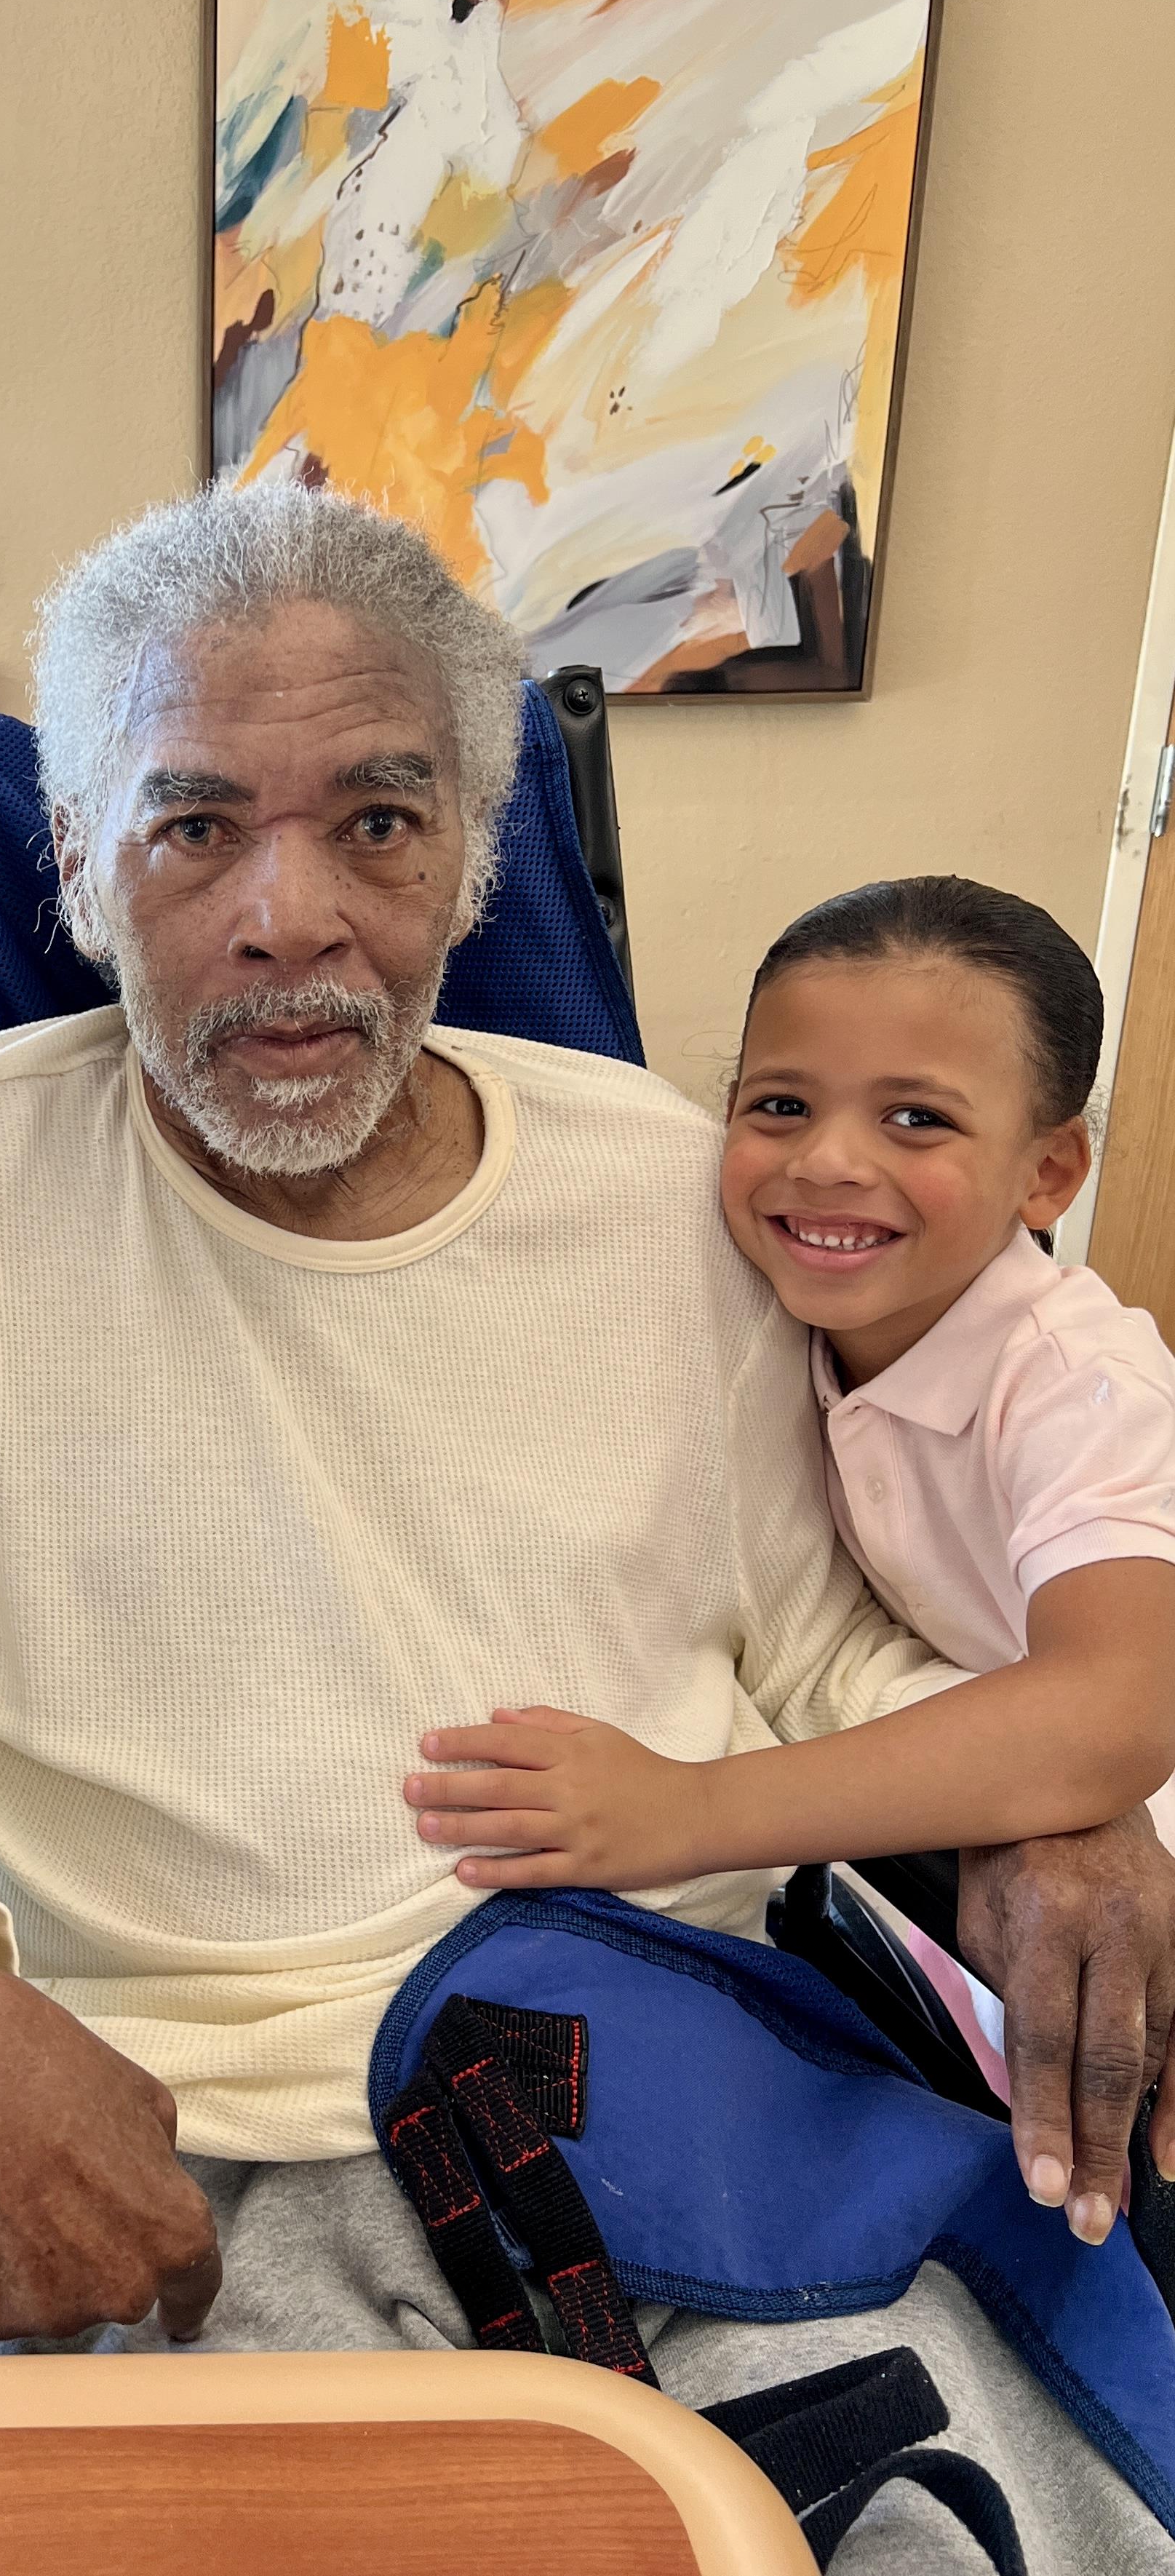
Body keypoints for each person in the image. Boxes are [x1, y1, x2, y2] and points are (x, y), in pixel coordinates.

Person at [0, 486, 1175, 2569]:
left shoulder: (659, 1194)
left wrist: (1041, 1803)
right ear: (77, 866)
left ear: (469, 863)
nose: (291, 916)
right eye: (192, 829)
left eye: (376, 821)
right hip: (195, 2167)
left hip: (687, 2096)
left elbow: (814, 1650)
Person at [407, 877, 1175, 2215]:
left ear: (1048, 1171)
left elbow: (1112, 1708)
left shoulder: (1075, 1381)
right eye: (779, 1104)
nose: (829, 1159)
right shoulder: (789, 1317)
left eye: (916, 1118)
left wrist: (683, 1811)